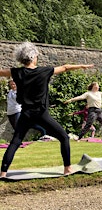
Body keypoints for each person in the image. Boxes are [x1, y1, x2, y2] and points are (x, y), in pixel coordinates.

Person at [0, 41, 94, 178]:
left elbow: (1, 72)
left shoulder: (17, 72)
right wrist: (82, 66)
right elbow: (66, 67)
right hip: (41, 114)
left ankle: (3, 173)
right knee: (63, 137)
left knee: (15, 141)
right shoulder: (44, 71)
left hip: (25, 113)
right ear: (32, 57)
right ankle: (67, 169)